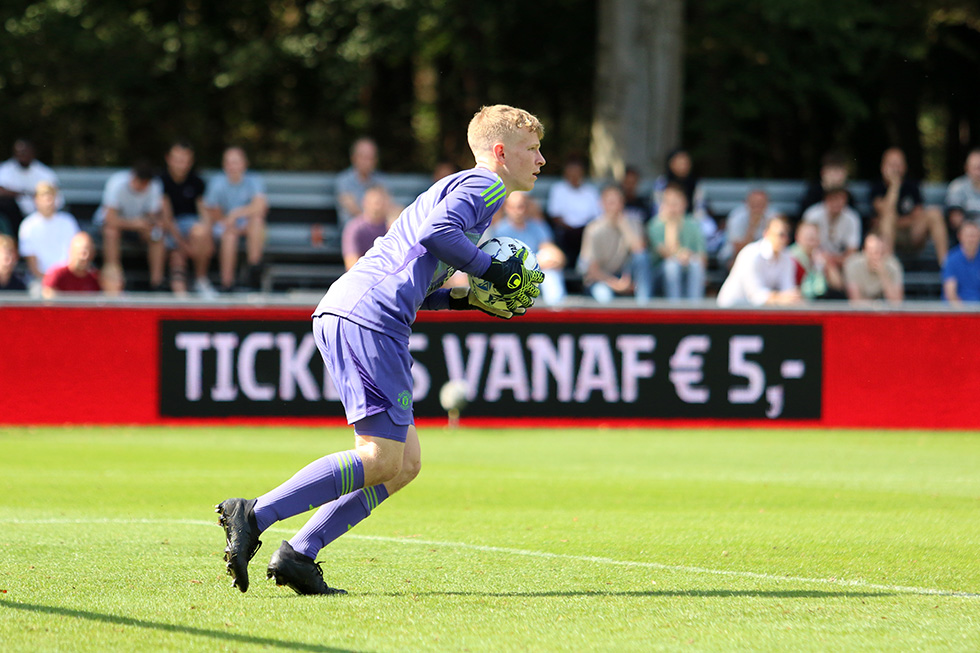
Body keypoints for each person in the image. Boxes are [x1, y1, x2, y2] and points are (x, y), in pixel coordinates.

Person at [215, 104, 546, 596]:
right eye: (532, 148)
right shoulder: (486, 185)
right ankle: (255, 513)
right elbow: (437, 237)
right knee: (379, 456)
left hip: (364, 310)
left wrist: (460, 298)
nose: (541, 159)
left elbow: (417, 269)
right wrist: (490, 270)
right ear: (500, 152)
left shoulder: (460, 188)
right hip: (369, 316)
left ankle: (299, 555)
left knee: (403, 463)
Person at [204, 146, 269, 291]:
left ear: (245, 163)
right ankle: (227, 283)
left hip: (248, 224)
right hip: (225, 225)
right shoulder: (217, 183)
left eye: (236, 162)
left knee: (257, 222)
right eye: (229, 162)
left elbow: (261, 206)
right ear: (224, 165)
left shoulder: (254, 179)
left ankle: (254, 271)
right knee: (229, 235)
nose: (232, 166)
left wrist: (236, 213)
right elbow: (212, 211)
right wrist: (227, 221)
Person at [94, 160, 166, 291]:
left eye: (145, 183)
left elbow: (152, 215)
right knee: (111, 232)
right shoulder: (117, 183)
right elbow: (110, 219)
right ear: (133, 176)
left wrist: (150, 224)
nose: (141, 187)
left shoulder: (155, 186)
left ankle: (157, 283)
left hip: (138, 227)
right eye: (139, 182)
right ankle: (114, 282)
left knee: (157, 235)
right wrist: (135, 224)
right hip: (115, 225)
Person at [870, 147, 948, 265]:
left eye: (898, 164)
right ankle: (889, 268)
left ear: (905, 167)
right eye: (891, 164)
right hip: (885, 237)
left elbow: (918, 214)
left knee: (934, 213)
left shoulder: (912, 186)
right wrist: (894, 186)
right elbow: (885, 211)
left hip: (910, 235)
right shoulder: (877, 186)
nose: (895, 169)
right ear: (883, 167)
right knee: (888, 218)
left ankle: (946, 268)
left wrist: (896, 221)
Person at [490, 191, 566, 305]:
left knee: (551, 275)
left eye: (522, 206)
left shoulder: (537, 227)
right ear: (507, 208)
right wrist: (536, 262)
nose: (519, 211)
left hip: (537, 273)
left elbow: (555, 255)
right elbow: (503, 264)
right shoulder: (499, 230)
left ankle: (557, 314)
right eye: (514, 207)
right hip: (513, 277)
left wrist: (552, 259)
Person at [578, 185, 652, 304]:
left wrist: (624, 226)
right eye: (610, 202)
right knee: (604, 297)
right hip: (600, 279)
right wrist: (616, 285)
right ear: (601, 204)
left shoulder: (633, 223)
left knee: (642, 258)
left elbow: (640, 252)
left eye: (618, 202)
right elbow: (591, 269)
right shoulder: (593, 229)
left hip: (625, 276)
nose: (614, 206)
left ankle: (644, 305)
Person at [160, 141, 216, 297]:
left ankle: (200, 280)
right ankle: (175, 290)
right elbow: (166, 218)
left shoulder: (197, 181)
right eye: (177, 159)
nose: (181, 164)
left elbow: (204, 214)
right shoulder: (161, 181)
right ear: (168, 159)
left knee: (201, 233)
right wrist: (183, 244)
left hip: (190, 229)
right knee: (177, 255)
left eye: (184, 160)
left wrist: (207, 235)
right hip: (168, 229)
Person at [717, 216, 802, 307]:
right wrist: (780, 297)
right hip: (730, 310)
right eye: (780, 234)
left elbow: (788, 290)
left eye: (787, 235)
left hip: (757, 312)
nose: (784, 239)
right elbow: (756, 296)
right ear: (766, 233)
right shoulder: (751, 254)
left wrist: (788, 297)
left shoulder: (787, 257)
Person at [652, 148, 721, 254]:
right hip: (667, 219)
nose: (683, 166)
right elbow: (658, 207)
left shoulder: (695, 183)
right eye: (679, 163)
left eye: (686, 163)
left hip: (691, 219)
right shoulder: (662, 182)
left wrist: (689, 222)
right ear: (671, 164)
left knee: (708, 229)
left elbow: (699, 208)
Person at [647, 183, 706, 300]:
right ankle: (675, 308)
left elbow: (703, 257)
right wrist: (671, 224)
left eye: (676, 203)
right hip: (660, 275)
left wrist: (689, 256)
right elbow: (666, 253)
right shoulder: (655, 225)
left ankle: (695, 307)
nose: (672, 207)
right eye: (669, 203)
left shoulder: (693, 224)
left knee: (696, 264)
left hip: (687, 269)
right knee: (672, 264)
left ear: (684, 204)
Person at [17, 181, 79, 281]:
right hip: (39, 280)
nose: (48, 202)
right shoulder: (27, 225)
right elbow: (32, 264)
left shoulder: (68, 222)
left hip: (67, 278)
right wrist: (49, 281)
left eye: (50, 197)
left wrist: (63, 278)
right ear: (36, 200)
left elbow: (75, 254)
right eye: (44, 197)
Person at [546, 155, 600, 270]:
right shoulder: (558, 189)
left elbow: (597, 216)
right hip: (566, 231)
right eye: (571, 172)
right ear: (566, 173)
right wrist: (571, 228)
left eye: (577, 172)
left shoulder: (590, 191)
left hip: (586, 230)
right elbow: (555, 216)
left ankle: (586, 269)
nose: (574, 176)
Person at [801, 185, 862, 285]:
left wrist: (833, 260)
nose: (836, 203)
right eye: (833, 199)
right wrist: (825, 260)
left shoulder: (852, 218)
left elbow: (852, 251)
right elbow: (804, 244)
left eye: (840, 199)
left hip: (842, 261)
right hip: (814, 257)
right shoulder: (812, 214)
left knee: (854, 263)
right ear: (825, 200)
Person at [0, 139, 59, 236]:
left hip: (40, 214)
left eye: (25, 152)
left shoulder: (45, 173)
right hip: (13, 217)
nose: (22, 155)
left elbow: (56, 198)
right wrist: (21, 194)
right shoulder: (5, 170)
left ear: (33, 153)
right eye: (19, 152)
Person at [718, 188, 780, 269]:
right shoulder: (736, 217)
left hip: (765, 258)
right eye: (754, 204)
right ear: (747, 203)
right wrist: (752, 227)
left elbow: (778, 245)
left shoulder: (774, 218)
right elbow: (738, 250)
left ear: (767, 204)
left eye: (761, 204)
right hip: (734, 256)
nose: (757, 208)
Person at [335, 137, 389, 227]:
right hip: (353, 232)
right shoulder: (343, 181)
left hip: (377, 231)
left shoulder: (381, 180)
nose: (368, 162)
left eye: (371, 158)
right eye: (364, 157)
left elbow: (388, 206)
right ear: (354, 158)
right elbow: (352, 209)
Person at [787, 221, 844, 300]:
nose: (810, 242)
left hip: (819, 301)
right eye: (807, 238)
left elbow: (838, 285)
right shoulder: (790, 257)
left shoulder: (821, 255)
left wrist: (827, 264)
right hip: (798, 303)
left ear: (818, 240)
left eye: (813, 238)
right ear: (797, 237)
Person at [844, 233, 903, 304]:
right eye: (872, 252)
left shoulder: (893, 266)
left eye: (880, 253)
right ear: (864, 251)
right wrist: (876, 306)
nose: (876, 257)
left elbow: (897, 302)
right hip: (862, 312)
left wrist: (883, 274)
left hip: (886, 312)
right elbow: (855, 301)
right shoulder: (853, 265)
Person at [341, 186, 391, 270]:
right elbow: (351, 264)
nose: (378, 207)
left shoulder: (391, 227)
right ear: (365, 203)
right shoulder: (354, 228)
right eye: (375, 203)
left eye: (381, 203)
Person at [798, 151, 856, 218]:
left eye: (839, 172)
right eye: (833, 171)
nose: (836, 177)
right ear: (823, 173)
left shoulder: (848, 195)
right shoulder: (813, 193)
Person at [41, 232, 101, 297]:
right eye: (81, 253)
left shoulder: (95, 277)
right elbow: (48, 296)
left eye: (88, 252)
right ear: (71, 251)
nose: (84, 257)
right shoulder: (57, 273)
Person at [944, 148, 980, 242]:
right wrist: (974, 233)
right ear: (967, 168)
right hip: (967, 237)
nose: (978, 172)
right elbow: (955, 219)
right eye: (975, 168)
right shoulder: (957, 187)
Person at [941, 220, 980, 305]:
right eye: (968, 236)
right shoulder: (951, 259)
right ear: (960, 236)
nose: (971, 239)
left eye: (974, 236)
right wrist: (964, 313)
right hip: (958, 312)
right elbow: (950, 293)